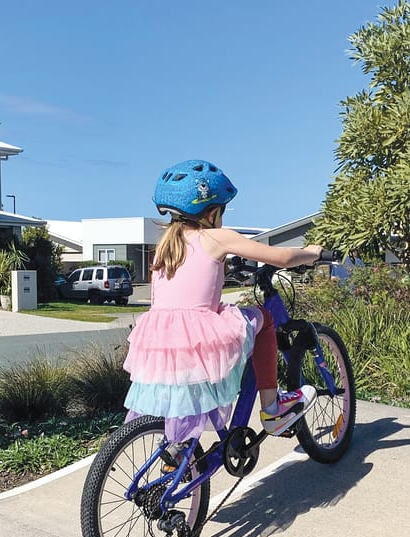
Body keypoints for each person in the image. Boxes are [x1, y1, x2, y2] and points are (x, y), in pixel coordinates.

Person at [123, 159, 324, 444]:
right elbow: (282, 258)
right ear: (212, 212)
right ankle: (272, 409)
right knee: (265, 320)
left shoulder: (165, 247)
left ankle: (178, 451)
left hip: (162, 337)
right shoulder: (217, 238)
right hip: (201, 331)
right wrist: (312, 252)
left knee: (184, 394)